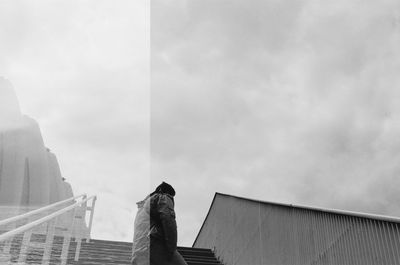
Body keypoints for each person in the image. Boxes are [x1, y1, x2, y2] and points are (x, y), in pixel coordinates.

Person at [132, 182, 187, 265]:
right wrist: (171, 250)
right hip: (154, 246)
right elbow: (169, 221)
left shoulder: (141, 209)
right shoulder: (161, 197)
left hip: (138, 253)